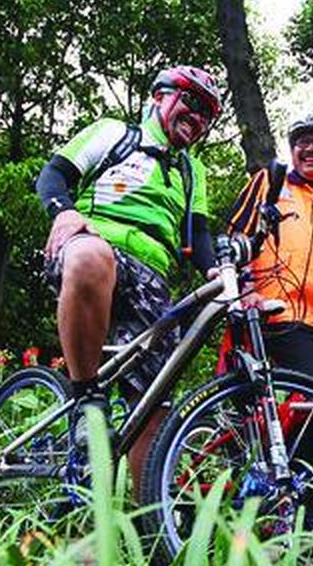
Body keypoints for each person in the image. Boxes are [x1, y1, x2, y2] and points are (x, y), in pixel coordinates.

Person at [35, 65, 223, 460]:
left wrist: (216, 270)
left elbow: (198, 234)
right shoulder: (116, 134)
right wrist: (63, 212)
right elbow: (54, 174)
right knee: (91, 255)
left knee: (153, 405)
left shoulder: (193, 171)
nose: (198, 117)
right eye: (190, 101)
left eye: (207, 114)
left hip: (152, 279)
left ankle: (147, 518)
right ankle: (86, 398)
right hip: (92, 245)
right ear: (159, 97)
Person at [225, 110, 313, 525]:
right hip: (280, 317)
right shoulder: (269, 183)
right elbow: (236, 241)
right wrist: (245, 290)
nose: (310, 148)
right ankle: (290, 510)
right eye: (303, 139)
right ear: (292, 147)